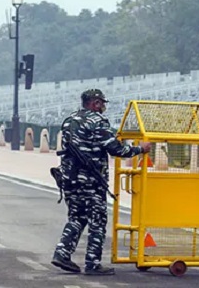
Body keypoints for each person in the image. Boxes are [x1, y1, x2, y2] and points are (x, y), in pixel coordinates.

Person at [51, 89, 151, 276]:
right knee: (97, 221)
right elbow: (116, 149)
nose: (104, 107)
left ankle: (62, 253)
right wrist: (140, 149)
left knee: (76, 218)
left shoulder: (69, 120)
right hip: (91, 181)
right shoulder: (97, 121)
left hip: (69, 179)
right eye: (102, 103)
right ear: (95, 103)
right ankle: (93, 263)